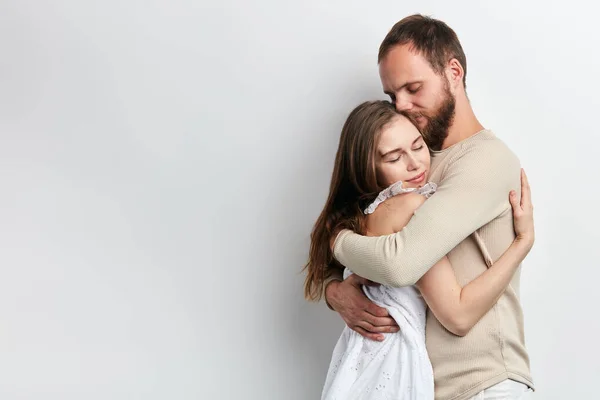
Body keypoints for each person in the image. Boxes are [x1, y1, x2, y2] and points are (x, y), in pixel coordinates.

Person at [322, 15, 534, 400]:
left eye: (413, 88)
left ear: (453, 71)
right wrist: (335, 290)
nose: (401, 105)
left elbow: (401, 263)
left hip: (484, 384)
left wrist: (336, 241)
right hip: (422, 387)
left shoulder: (484, 161)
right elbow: (361, 226)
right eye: (392, 96)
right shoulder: (415, 162)